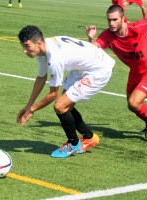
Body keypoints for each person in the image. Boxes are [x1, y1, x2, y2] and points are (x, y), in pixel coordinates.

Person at [17, 25, 115, 158]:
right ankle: (89, 138)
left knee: (60, 105)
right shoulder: (43, 49)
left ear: (38, 43)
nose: (24, 50)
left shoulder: (54, 58)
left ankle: (73, 144)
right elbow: (41, 78)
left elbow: (53, 94)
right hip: (83, 66)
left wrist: (32, 110)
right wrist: (28, 105)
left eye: (27, 46)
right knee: (65, 104)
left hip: (98, 69)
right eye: (23, 46)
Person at [86, 5, 147, 137]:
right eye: (109, 20)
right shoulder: (107, 35)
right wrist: (91, 38)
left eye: (114, 20)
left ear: (123, 19)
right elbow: (93, 51)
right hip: (135, 72)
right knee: (132, 105)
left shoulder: (137, 28)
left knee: (134, 102)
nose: (111, 23)